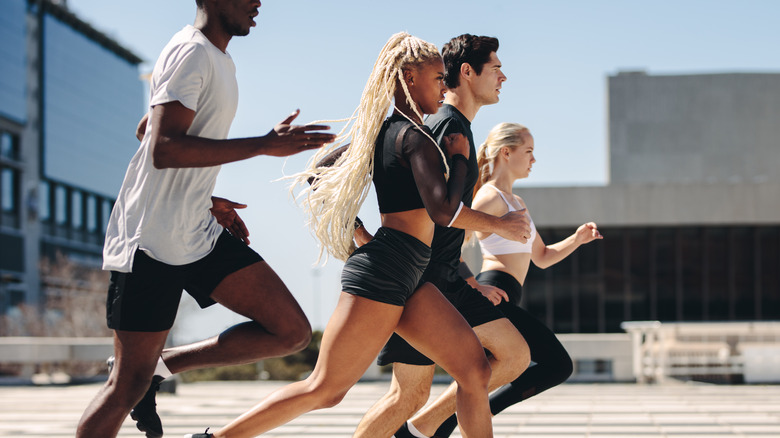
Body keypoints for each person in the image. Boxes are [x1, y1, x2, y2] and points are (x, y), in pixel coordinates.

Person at [184, 31, 531, 438]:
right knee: (326, 389)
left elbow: (321, 170)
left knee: (473, 371)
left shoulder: (388, 133)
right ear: (408, 78)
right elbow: (443, 211)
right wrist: (458, 162)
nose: (443, 86)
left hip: (412, 275)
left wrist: (364, 234)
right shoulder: (413, 136)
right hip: (383, 274)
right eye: (437, 78)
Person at [75, 1, 337, 437]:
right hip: (151, 240)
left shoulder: (218, 60)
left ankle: (162, 366)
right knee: (125, 386)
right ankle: (142, 374)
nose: (258, 3)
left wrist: (204, 195)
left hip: (196, 230)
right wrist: (264, 145)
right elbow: (162, 148)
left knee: (290, 331)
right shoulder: (191, 51)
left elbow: (147, 131)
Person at [354, 34, 532, 438]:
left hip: (438, 276)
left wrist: (467, 277)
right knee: (508, 357)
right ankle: (422, 427)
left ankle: (420, 428)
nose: (504, 76)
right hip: (426, 280)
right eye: (496, 67)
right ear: (467, 72)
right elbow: (438, 212)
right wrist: (502, 227)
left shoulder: (454, 126)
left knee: (409, 395)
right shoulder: (444, 126)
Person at [430, 122, 604, 436]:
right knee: (557, 365)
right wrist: (474, 285)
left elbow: (542, 257)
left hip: (509, 293)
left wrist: (577, 239)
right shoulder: (489, 198)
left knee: (481, 376)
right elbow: (448, 246)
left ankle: (439, 425)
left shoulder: (517, 202)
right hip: (494, 292)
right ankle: (453, 419)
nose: (534, 160)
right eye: (529, 152)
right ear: (506, 153)